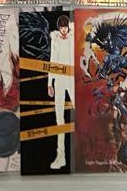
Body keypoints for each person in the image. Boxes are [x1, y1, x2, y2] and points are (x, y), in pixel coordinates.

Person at [48, 14, 74, 170]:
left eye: (66, 26)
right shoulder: (55, 40)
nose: (64, 29)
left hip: (71, 78)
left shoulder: (72, 38)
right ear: (58, 28)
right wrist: (49, 83)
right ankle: (61, 156)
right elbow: (52, 60)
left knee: (79, 113)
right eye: (61, 27)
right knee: (59, 119)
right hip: (59, 80)